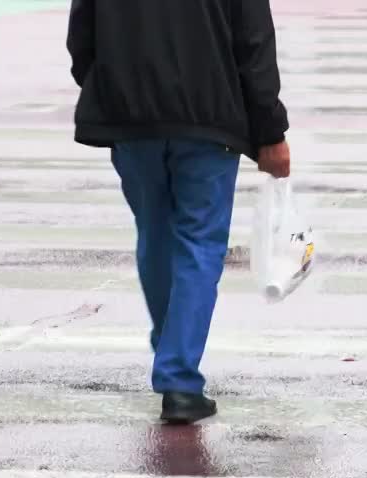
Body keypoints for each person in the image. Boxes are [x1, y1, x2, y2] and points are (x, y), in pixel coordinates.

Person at [67, 0, 292, 425]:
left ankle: (172, 352)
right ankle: (179, 379)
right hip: (210, 119)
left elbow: (82, 38)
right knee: (200, 243)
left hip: (131, 118)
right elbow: (254, 43)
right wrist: (271, 130)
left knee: (154, 233)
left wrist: (111, 88)